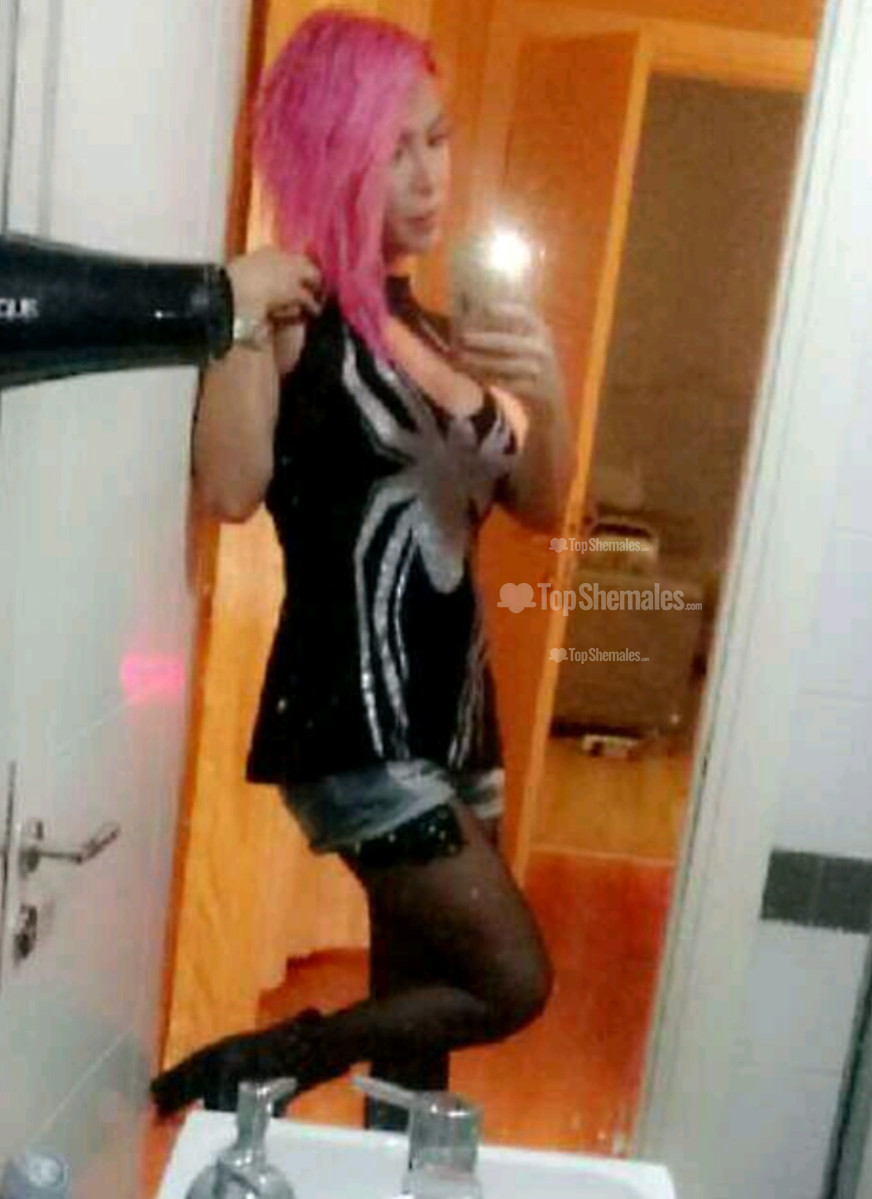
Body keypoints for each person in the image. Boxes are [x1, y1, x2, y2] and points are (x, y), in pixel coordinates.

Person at [151, 9, 572, 1124]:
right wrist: (236, 312)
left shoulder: (429, 326)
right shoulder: (296, 312)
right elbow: (232, 486)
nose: (430, 176)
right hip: (356, 729)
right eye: (395, 149)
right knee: (509, 978)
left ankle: (388, 1172)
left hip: (457, 721)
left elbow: (540, 504)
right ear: (333, 153)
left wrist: (549, 390)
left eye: (438, 139)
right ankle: (275, 1056)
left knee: (421, 1029)